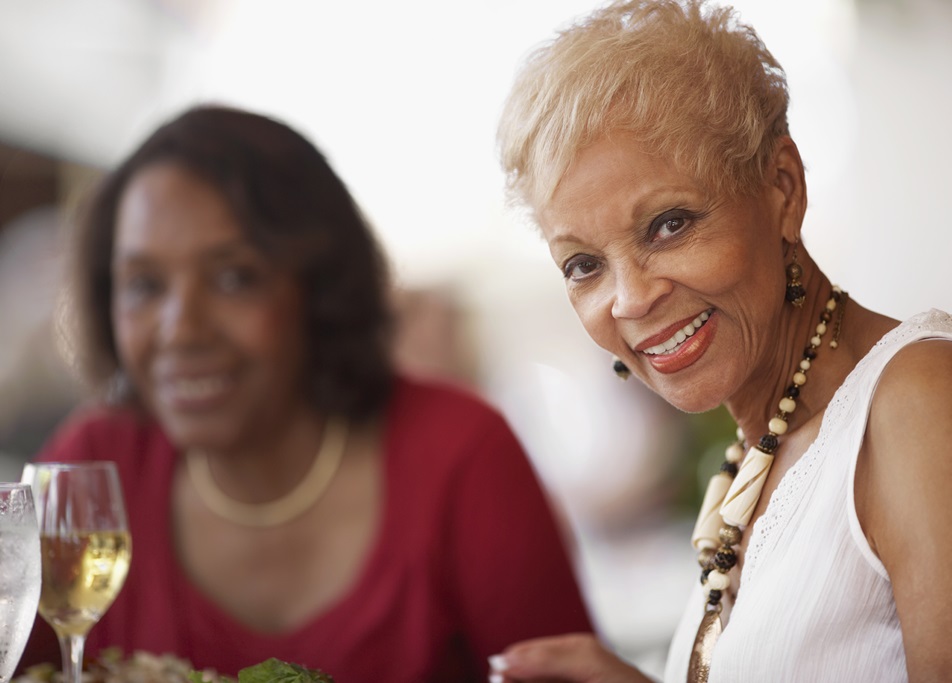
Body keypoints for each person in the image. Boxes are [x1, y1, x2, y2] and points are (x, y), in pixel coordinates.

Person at [487, 1, 952, 681]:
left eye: (668, 223)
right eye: (583, 264)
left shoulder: (925, 399)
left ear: (783, 187)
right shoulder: (761, 453)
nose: (629, 297)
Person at [19, 105, 593, 682]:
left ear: (319, 289)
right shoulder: (93, 468)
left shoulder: (459, 455)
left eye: (233, 277)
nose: (181, 330)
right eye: (144, 285)